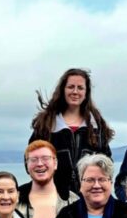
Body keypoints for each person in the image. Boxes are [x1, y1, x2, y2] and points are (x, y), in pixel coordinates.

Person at [30, 68, 114, 197]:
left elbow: (107, 165)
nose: (75, 92)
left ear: (86, 93)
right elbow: (30, 160)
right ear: (63, 90)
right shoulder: (46, 124)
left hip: (88, 200)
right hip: (53, 199)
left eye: (80, 88)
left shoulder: (96, 125)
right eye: (71, 87)